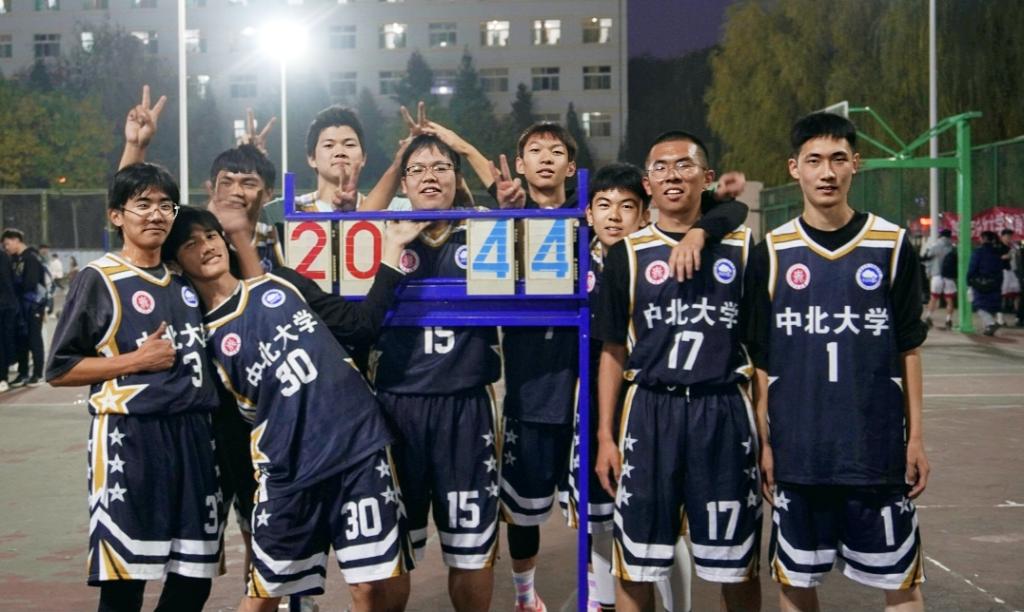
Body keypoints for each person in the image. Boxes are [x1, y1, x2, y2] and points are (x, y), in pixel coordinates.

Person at [499, 123, 750, 612]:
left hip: (652, 404)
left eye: (627, 206)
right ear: (588, 211)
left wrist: (710, 217)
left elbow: (729, 211)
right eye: (604, 206)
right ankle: (583, 600)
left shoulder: (667, 250)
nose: (614, 216)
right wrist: (509, 202)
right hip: (577, 399)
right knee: (594, 518)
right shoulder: (568, 248)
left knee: (658, 524)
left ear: (644, 209)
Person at [163, 206, 421, 612]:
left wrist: (392, 247)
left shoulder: (282, 283)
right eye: (191, 243)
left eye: (211, 236)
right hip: (289, 468)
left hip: (357, 447)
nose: (206, 246)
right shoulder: (200, 337)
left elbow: (357, 326)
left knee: (373, 585)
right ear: (177, 262)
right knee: (263, 594)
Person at [747, 112, 929, 611]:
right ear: (794, 168)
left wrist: (916, 438)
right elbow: (761, 359)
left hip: (875, 449)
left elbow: (908, 348)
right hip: (798, 452)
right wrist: (765, 442)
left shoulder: (891, 244)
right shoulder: (772, 251)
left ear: (856, 164)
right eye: (814, 160)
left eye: (837, 159)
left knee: (901, 581)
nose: (826, 172)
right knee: (795, 581)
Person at [593, 131, 762, 612]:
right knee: (637, 562)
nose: (672, 175)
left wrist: (766, 433)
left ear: (706, 178)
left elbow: (761, 352)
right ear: (647, 184)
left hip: (723, 411)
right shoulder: (626, 254)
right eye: (660, 167)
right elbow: (612, 352)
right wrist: (605, 436)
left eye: (684, 165)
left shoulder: (743, 248)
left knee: (737, 563)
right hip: (649, 412)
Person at [45, 163, 223, 612]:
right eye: (142, 204)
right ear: (116, 215)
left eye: (166, 205)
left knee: (193, 582)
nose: (156, 214)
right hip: (131, 440)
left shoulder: (185, 279)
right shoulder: (99, 278)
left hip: (195, 439)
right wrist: (135, 361)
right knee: (126, 585)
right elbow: (59, 369)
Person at [370, 134, 502, 611]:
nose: (430, 176)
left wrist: (467, 149)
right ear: (404, 183)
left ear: (456, 178)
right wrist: (392, 165)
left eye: (441, 167)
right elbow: (358, 217)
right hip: (396, 407)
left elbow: (530, 222)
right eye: (418, 169)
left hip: (465, 407)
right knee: (393, 553)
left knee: (472, 548)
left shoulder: (483, 230)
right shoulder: (384, 233)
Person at [2, 228, 47, 387]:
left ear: (16, 240)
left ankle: (38, 373)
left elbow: (30, 283)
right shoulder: (16, 259)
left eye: (7, 244)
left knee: (34, 338)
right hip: (21, 306)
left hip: (33, 305)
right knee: (21, 339)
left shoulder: (31, 258)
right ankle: (23, 373)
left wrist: (14, 286)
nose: (6, 248)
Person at [969, 231, 1005, 336]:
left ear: (983, 239)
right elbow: (1000, 269)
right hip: (995, 282)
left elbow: (973, 268)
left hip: (981, 283)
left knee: (978, 304)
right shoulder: (997, 252)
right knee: (991, 305)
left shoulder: (978, 252)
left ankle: (990, 323)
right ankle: (990, 325)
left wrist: (969, 281)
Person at [922, 229, 955, 329]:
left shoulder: (935, 246)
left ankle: (928, 317)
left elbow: (927, 259)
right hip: (949, 277)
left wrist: (928, 273)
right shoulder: (952, 247)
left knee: (934, 298)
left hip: (937, 276)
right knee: (949, 299)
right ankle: (948, 320)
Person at [0, 247, 16, 392]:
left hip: (4, 306)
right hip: (6, 304)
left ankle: (2, 378)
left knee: (2, 342)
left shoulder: (3, 258)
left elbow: (7, 282)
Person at [998, 229, 1020, 325]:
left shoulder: (1013, 246)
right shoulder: (999, 246)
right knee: (1002, 295)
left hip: (1012, 272)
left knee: (1017, 294)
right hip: (1003, 272)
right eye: (1007, 236)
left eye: (1010, 236)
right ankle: (1000, 318)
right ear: (1002, 236)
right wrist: (1009, 254)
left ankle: (1018, 317)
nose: (1009, 238)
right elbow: (999, 257)